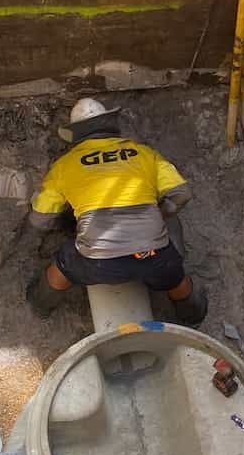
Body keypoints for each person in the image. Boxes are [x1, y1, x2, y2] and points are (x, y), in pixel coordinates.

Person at [25, 98, 207, 325]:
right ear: (110, 124)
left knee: (63, 265)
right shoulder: (143, 153)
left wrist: (69, 219)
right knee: (173, 273)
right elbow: (182, 194)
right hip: (154, 257)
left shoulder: (64, 165)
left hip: (98, 264)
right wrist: (159, 214)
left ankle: (40, 304)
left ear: (75, 135)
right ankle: (193, 312)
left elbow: (40, 220)